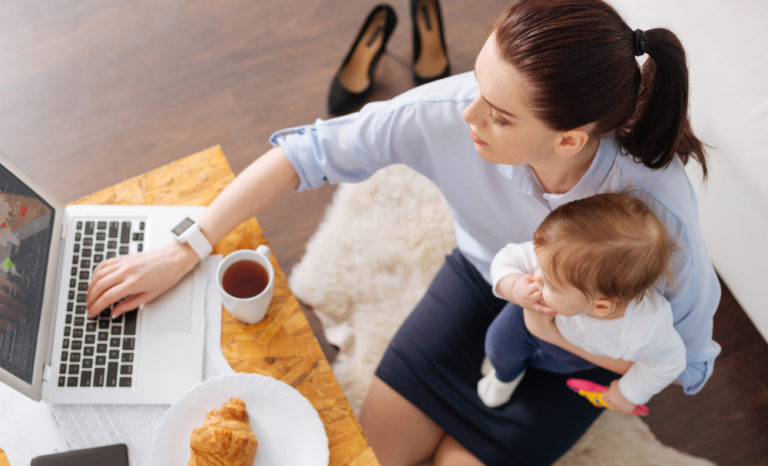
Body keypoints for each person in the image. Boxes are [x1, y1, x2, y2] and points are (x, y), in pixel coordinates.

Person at [85, 0, 721, 463]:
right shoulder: (454, 112)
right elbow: (306, 154)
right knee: (374, 452)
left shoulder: (655, 212)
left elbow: (682, 356)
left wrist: (555, 331)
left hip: (587, 348)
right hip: (483, 281)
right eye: (477, 83)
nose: (465, 114)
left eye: (497, 116)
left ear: (570, 139)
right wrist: (183, 246)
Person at [478, 192, 686, 415]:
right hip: (531, 312)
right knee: (498, 343)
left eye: (551, 284)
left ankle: (520, 366)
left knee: (551, 366)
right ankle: (505, 375)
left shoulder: (643, 328)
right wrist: (515, 286)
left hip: (575, 351)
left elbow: (668, 364)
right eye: (539, 267)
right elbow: (508, 257)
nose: (537, 276)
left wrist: (627, 393)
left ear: (601, 306)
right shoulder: (560, 256)